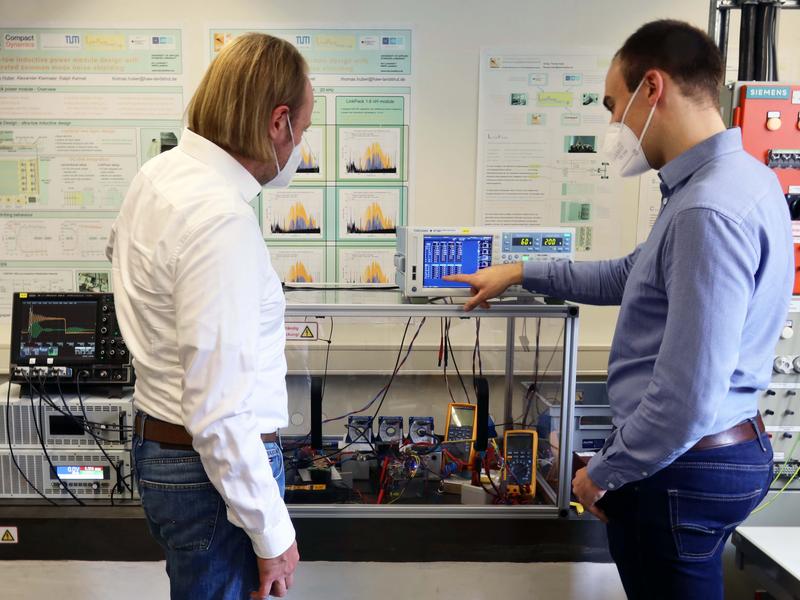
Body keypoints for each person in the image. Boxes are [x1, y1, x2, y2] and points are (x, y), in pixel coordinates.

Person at [446, 20, 793, 600]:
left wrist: (600, 475)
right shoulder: (745, 181)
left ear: (652, 88)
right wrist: (523, 270)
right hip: (725, 449)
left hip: (682, 468)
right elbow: (629, 276)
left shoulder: (705, 209)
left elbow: (686, 393)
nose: (612, 125)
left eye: (614, 105)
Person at [106, 33, 313, 599]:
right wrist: (272, 533)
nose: (302, 147)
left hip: (167, 450)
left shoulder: (160, 176)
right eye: (305, 129)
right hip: (210, 476)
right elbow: (220, 412)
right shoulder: (219, 219)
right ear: (278, 124)